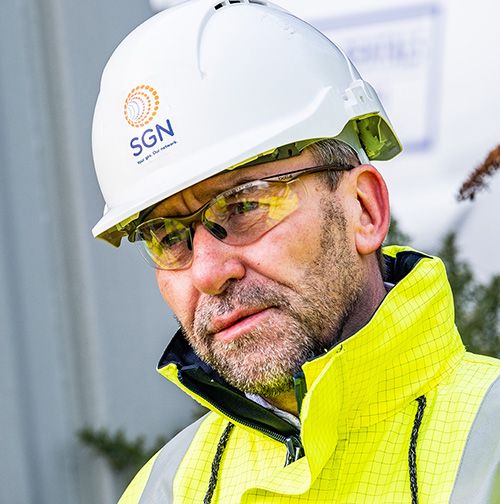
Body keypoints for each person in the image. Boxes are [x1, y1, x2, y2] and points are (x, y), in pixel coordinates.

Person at [91, 1, 500, 502]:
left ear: (363, 209)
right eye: (169, 237)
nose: (208, 273)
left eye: (242, 206)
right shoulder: (162, 491)